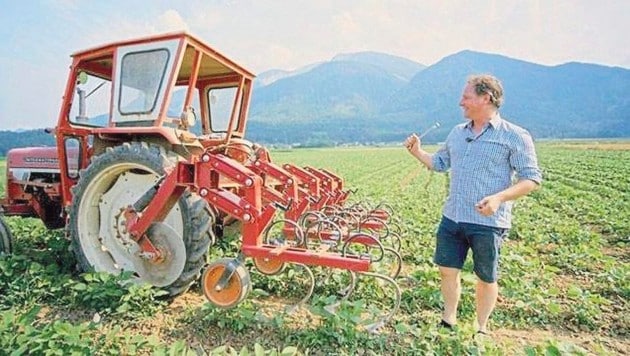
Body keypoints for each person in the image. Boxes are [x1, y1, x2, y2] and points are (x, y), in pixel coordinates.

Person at [404, 74, 542, 335]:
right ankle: (448, 319)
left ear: (486, 98)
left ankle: (481, 327)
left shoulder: (515, 136)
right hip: (453, 217)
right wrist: (418, 153)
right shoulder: (458, 133)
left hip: (488, 223)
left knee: (485, 277)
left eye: (466, 97)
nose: (461, 102)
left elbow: (531, 179)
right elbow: (440, 163)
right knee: (447, 270)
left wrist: (499, 198)